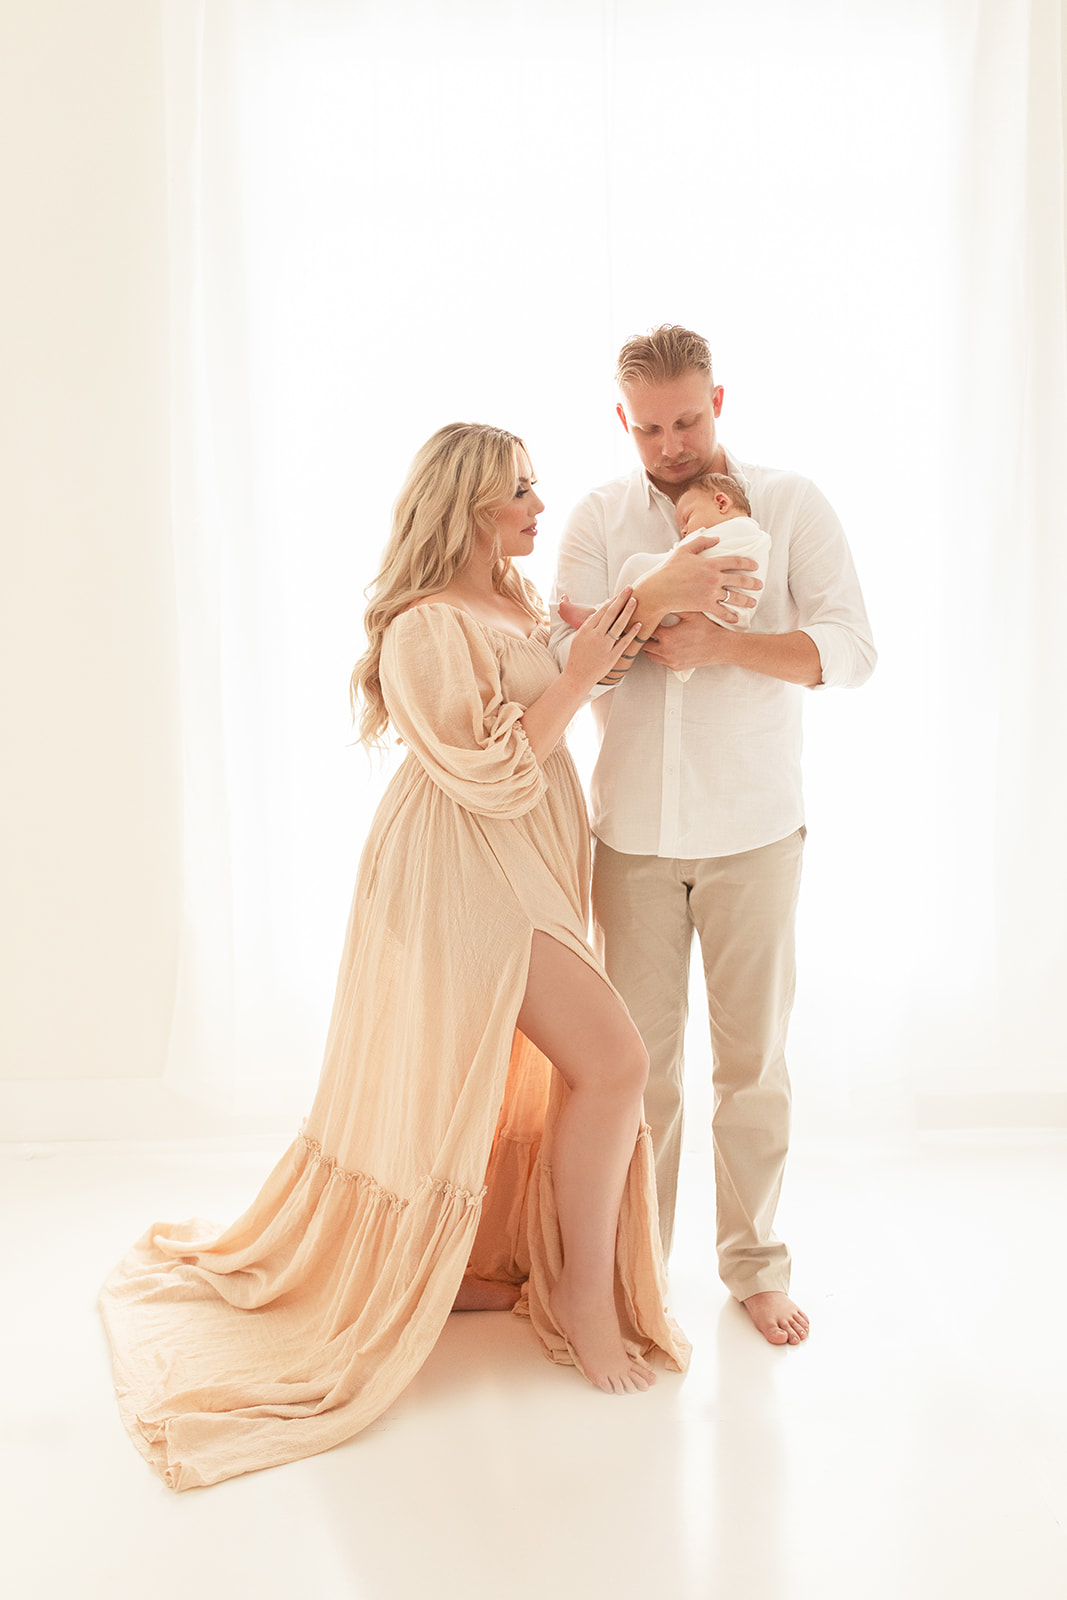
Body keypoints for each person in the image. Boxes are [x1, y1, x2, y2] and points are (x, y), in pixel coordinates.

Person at [100, 422, 689, 1491]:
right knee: (612, 1063)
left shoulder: (512, 601)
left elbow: (550, 710)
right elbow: (486, 766)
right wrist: (580, 675)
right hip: (463, 865)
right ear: (466, 501)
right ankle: (582, 1301)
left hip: (527, 853)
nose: (537, 505)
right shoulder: (425, 624)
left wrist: (614, 637)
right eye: (519, 489)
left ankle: (484, 1263)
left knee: (554, 1073)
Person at [551, 326, 876, 1347]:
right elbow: (565, 661)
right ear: (622, 420)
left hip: (753, 832)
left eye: (686, 418)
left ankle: (752, 1266)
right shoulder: (600, 517)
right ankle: (633, 1271)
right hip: (632, 838)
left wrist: (720, 640)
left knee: (752, 1065)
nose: (670, 441)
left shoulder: (788, 504)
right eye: (648, 426)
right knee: (631, 1073)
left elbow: (851, 652)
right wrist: (644, 611)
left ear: (717, 399)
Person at [615, 472, 773, 680]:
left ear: (721, 503)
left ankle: (605, 615)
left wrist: (675, 559)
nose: (685, 531)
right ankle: (607, 620)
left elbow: (683, 564)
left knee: (636, 565)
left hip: (717, 614)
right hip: (718, 616)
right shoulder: (751, 536)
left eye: (687, 518)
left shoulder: (741, 530)